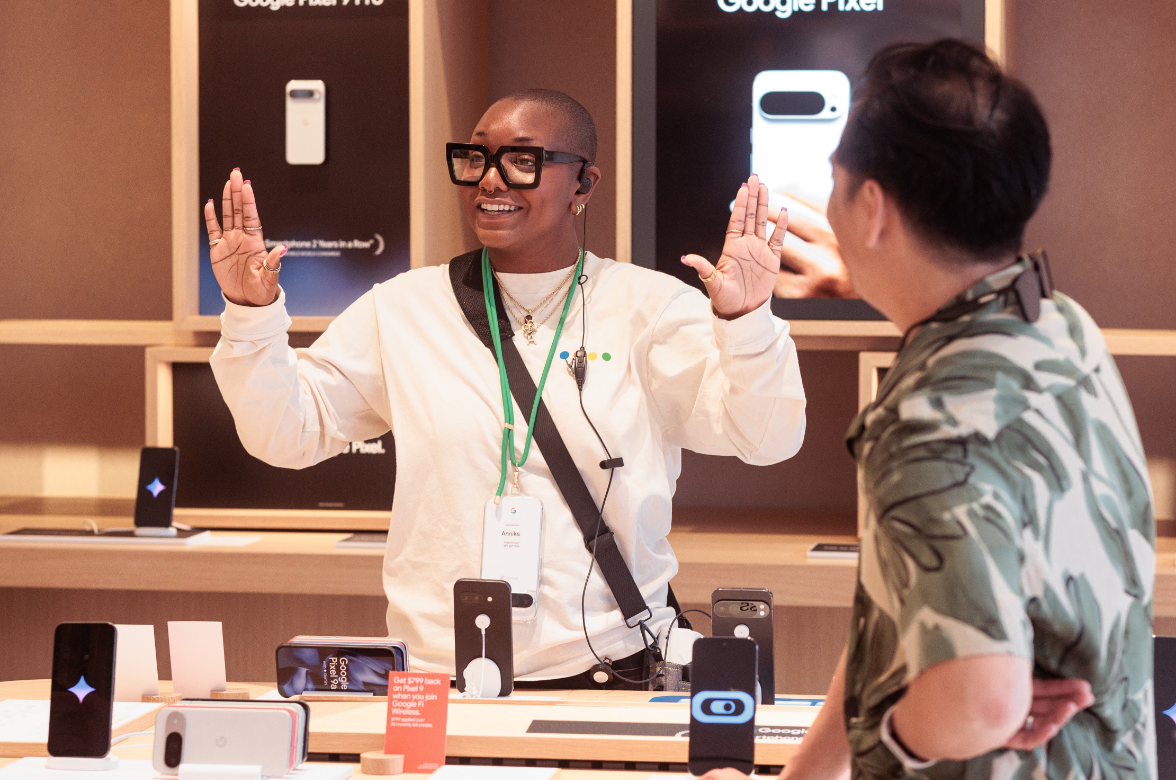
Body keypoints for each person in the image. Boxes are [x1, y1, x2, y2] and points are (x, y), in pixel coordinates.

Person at [203, 89, 807, 685]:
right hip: (440, 674)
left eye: (523, 161)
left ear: (583, 186)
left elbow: (765, 438)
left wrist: (747, 321)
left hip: (606, 666)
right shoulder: (403, 308)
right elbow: (286, 435)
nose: (490, 180)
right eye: (476, 158)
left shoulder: (648, 307)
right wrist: (250, 312)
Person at [698, 40, 1155, 779]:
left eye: (837, 181)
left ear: (873, 206)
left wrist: (892, 745)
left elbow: (978, 704)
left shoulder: (926, 425)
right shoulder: (1056, 321)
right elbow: (905, 600)